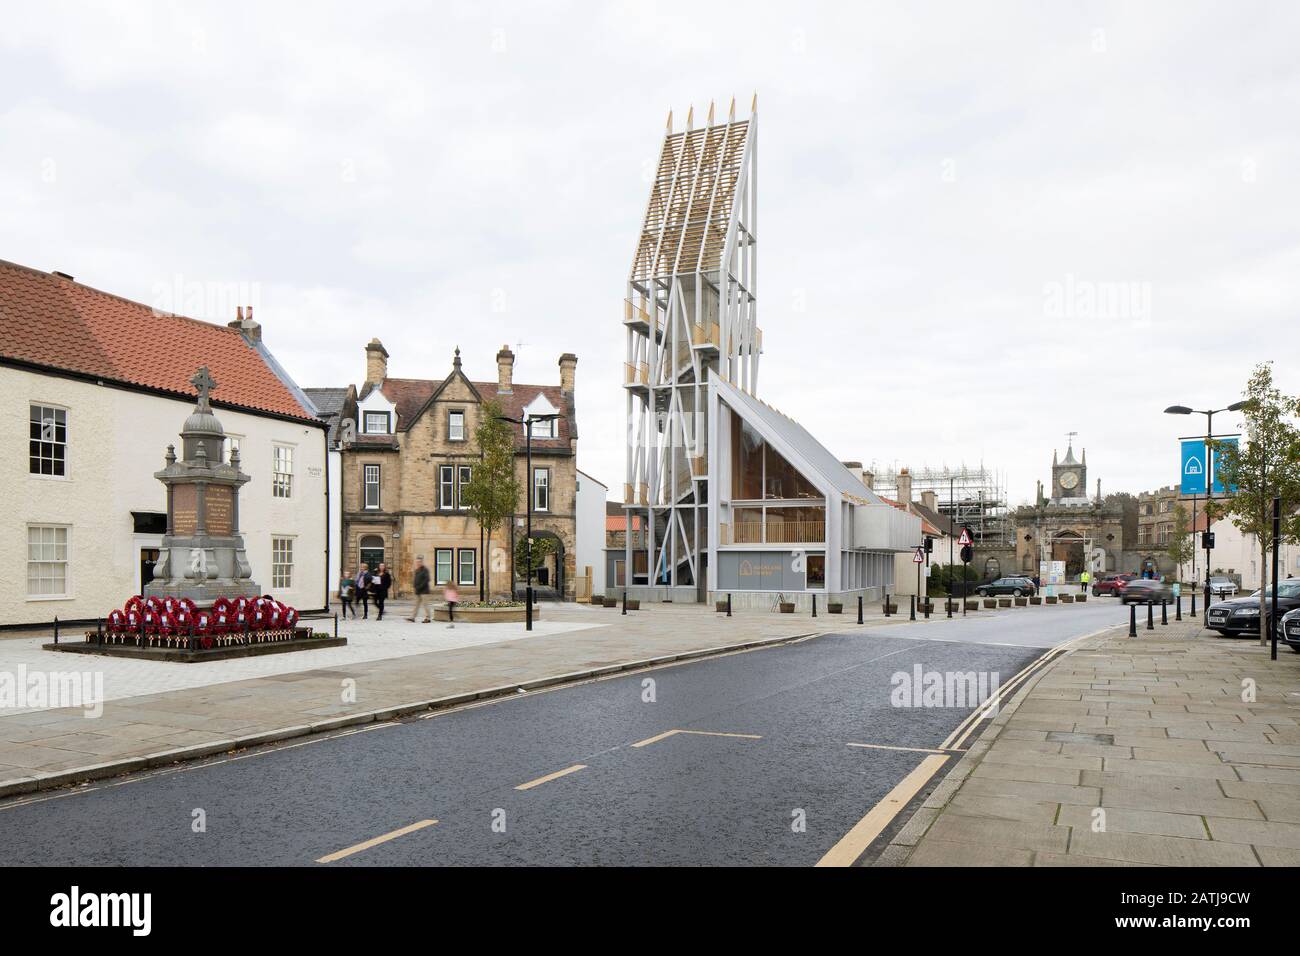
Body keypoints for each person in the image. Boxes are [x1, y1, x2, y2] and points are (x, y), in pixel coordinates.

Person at [408, 556, 432, 623]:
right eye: (417, 562)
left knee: (425, 605)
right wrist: (414, 586)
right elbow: (415, 580)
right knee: (416, 605)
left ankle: (428, 618)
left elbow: (427, 579)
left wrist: (420, 587)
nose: (418, 563)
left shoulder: (425, 570)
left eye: (419, 562)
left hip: (424, 591)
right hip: (418, 591)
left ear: (422, 562)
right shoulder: (416, 570)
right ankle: (413, 617)